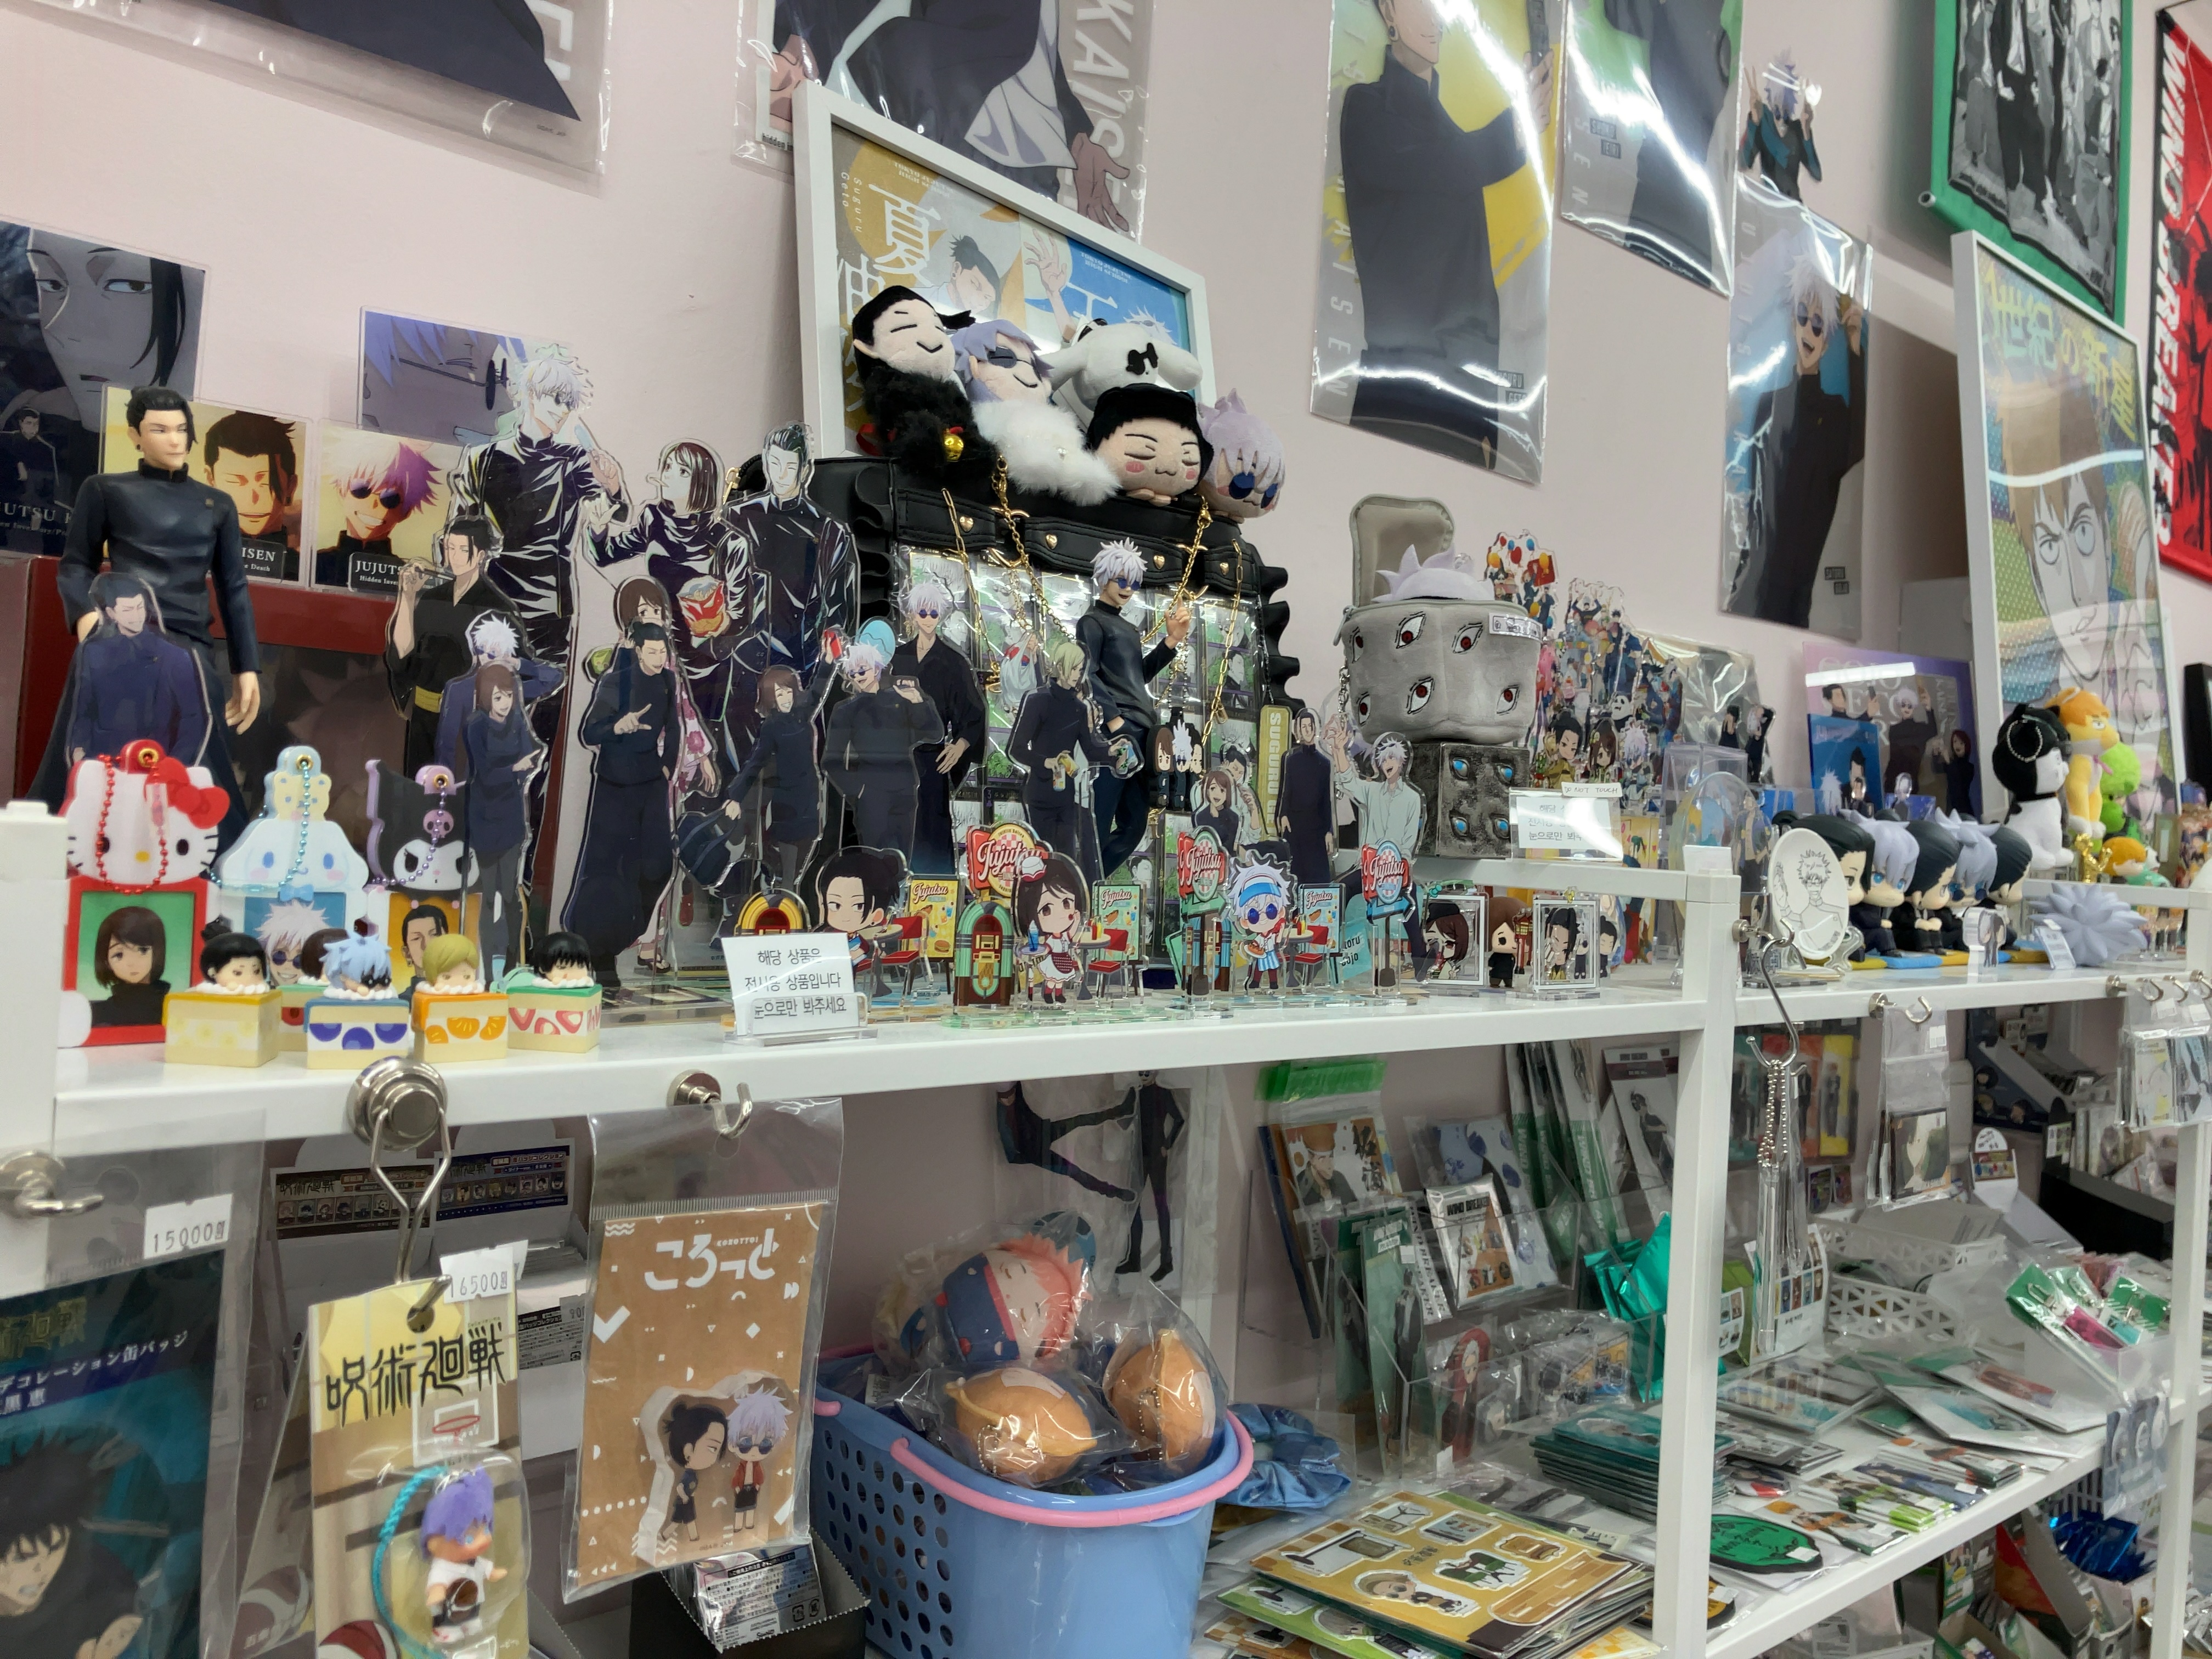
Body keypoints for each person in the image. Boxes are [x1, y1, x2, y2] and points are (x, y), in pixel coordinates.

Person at [42, 386, 259, 847]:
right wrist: (87, 621)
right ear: (135, 436)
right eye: (160, 429)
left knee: (198, 759)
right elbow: (76, 564)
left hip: (189, 646)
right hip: (118, 639)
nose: (175, 439)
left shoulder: (217, 504)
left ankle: (209, 859)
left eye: (181, 429)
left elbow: (234, 588)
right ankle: (75, 850)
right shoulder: (105, 489)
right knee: (97, 754)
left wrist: (247, 666)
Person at [1338, 0, 1548, 463]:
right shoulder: (1368, 108)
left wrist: (1488, 415)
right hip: (1402, 392)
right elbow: (1436, 167)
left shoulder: (1448, 130)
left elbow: (1475, 281)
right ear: (1389, 10)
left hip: (1466, 398)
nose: (1435, 17)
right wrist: (1515, 131)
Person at [766, 0, 1133, 229]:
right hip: (948, 117)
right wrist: (803, 44)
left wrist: (1077, 137)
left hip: (1031, 168)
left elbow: (1033, 44)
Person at [1736, 253, 1867, 628]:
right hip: (1756, 584)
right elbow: (1757, 504)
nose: (1809, 330)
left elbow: (1856, 445)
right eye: (1803, 317)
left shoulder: (1835, 413)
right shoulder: (1768, 405)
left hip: (1799, 595)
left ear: (1826, 339)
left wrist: (1855, 348)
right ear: (1793, 322)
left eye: (1818, 323)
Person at [587, 437, 737, 747]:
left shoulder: (727, 541)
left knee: (702, 745)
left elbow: (743, 616)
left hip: (705, 664)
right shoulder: (653, 517)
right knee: (655, 740)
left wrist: (717, 624)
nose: (667, 474)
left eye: (681, 471)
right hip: (658, 656)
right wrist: (599, 531)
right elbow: (607, 554)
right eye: (667, 467)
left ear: (700, 483)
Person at [721, 422, 856, 762]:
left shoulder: (830, 531)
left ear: (805, 469)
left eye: (790, 466)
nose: (781, 474)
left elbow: (838, 608)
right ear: (766, 461)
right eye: (775, 463)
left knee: (799, 761)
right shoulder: (736, 517)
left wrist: (830, 653)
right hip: (742, 657)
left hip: (801, 662)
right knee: (737, 760)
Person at [389, 516, 558, 774]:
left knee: (460, 789)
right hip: (423, 718)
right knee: (419, 785)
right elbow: (402, 655)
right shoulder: (434, 598)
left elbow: (516, 674)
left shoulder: (497, 607)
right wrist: (408, 594)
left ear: (480, 555)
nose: (454, 557)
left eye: (463, 549)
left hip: (468, 723)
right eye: (450, 548)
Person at [563, 624, 680, 984]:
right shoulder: (615, 682)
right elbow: (589, 732)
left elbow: (674, 727)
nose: (659, 658)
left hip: (651, 782)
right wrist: (618, 726)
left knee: (659, 867)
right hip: (615, 787)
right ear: (638, 650)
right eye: (652, 652)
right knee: (608, 872)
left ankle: (630, 930)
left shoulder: (668, 680)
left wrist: (667, 765)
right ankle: (600, 955)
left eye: (663, 652)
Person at [1077, 541, 1191, 877]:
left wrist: (1171, 641)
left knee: (1134, 824)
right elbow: (1087, 673)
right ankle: (1082, 885)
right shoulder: (1091, 622)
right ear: (1104, 579)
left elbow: (1137, 676)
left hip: (1144, 732)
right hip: (1117, 731)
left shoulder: (1127, 628)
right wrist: (1113, 720)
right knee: (1101, 815)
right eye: (1122, 580)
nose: (1128, 589)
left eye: (1135, 583)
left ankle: (1091, 882)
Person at [1602, 0, 1735, 284]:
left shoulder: (1686, 15)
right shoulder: (1722, 37)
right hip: (1690, 218)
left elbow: (1618, 13)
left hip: (1662, 198)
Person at [0, 1437, 147, 1659]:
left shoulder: (89, 1572)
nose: (41, 1570)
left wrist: (113, 1634)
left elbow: (127, 1605)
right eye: (23, 1557)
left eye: (55, 1549)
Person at [61, 573, 210, 768]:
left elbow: (192, 719)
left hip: (155, 763)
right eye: (128, 610)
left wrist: (173, 766)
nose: (137, 616)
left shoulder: (174, 656)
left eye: (140, 607)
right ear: (111, 613)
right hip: (102, 763)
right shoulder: (94, 652)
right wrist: (79, 750)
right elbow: (84, 711)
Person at [889, 579, 985, 875]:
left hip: (933, 760)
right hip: (896, 759)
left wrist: (960, 745)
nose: (929, 619)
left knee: (932, 826)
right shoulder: (897, 658)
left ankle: (937, 888)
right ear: (912, 614)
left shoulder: (954, 662)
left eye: (934, 613)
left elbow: (974, 712)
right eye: (923, 613)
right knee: (893, 827)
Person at [821, 635, 940, 857]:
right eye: (853, 674)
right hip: (871, 793)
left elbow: (934, 734)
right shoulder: (845, 710)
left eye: (863, 670)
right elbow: (831, 760)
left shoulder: (901, 698)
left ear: (877, 668)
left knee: (901, 859)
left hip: (905, 789)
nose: (859, 677)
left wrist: (918, 701)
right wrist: (858, 791)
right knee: (873, 859)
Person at [723, 662, 837, 890]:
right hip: (787, 805)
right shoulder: (771, 727)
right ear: (771, 697)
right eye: (779, 693)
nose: (785, 698)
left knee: (801, 867)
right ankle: (781, 899)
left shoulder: (802, 713)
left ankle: (786, 894)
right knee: (788, 874)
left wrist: (827, 663)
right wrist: (735, 797)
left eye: (788, 691)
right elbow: (754, 763)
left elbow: (818, 689)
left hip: (810, 801)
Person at [1007, 637, 1113, 880]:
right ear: (1061, 666)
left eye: (1081, 669)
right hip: (1040, 795)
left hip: (1066, 797)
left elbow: (1090, 749)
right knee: (1042, 861)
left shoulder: (1079, 708)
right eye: (1075, 668)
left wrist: (1112, 753)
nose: (1079, 675)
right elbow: (1016, 749)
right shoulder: (1038, 700)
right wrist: (1046, 762)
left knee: (1066, 863)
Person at [461, 664, 541, 974]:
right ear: (485, 697)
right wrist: (514, 770)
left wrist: (522, 768)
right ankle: (486, 971)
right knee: (488, 897)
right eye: (498, 697)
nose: (505, 703)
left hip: (510, 818)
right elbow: (484, 774)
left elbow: (530, 756)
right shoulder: (476, 725)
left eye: (508, 695)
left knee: (510, 894)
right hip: (484, 817)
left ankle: (512, 963)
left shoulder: (518, 721)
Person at [314, 427, 440, 590]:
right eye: (361, 489)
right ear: (341, 492)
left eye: (390, 498)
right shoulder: (316, 564)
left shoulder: (407, 579)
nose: (373, 504)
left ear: (406, 512)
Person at [201, 409, 299, 567]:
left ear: (291, 487)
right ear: (211, 480)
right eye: (235, 481)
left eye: (265, 483)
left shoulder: (301, 567)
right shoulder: (191, 558)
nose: (253, 498)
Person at [1114, 1071, 1186, 1281]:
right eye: (1141, 1072)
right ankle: (1134, 1258)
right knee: (1133, 1204)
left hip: (1155, 1156)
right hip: (1139, 1154)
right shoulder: (1134, 1093)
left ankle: (1166, 1261)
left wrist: (1167, 1145)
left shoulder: (1162, 1093)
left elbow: (1180, 1119)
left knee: (1161, 1205)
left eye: (1147, 1072)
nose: (1144, 1075)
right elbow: (1124, 1120)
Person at [1738, 53, 1821, 200]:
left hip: (1792, 206)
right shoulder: (1764, 122)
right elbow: (1743, 162)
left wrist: (1806, 130)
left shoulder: (1797, 129)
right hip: (1769, 203)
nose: (1782, 98)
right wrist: (1754, 121)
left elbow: (1816, 173)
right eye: (1778, 90)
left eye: (1786, 92)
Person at [1277, 707, 1335, 885]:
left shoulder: (1325, 763)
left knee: (1318, 876)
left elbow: (1327, 800)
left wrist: (1329, 831)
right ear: (1299, 731)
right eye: (1304, 727)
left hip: (1317, 828)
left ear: (1315, 728)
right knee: (1294, 873)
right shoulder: (1291, 760)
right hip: (1295, 826)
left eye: (1310, 726)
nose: (1308, 730)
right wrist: (1283, 814)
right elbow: (1286, 790)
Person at [88, 904, 170, 1027]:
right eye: (119, 955)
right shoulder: (97, 1014)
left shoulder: (176, 1009)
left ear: (158, 951)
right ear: (106, 961)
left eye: (143, 950)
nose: (132, 963)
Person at [661, 1402, 726, 1547]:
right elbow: (680, 1487)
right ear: (688, 1450)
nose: (714, 1457)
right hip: (684, 1501)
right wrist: (685, 1497)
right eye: (713, 1448)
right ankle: (666, 1535)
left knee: (689, 1520)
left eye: (718, 1450)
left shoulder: (692, 1474)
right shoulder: (688, 1475)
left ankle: (694, 1537)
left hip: (688, 1500)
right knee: (677, 1521)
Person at [1193, 768, 1242, 851]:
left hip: (1225, 857)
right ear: (1207, 792)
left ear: (1227, 794)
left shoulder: (1233, 817)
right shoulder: (1200, 816)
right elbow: (1202, 842)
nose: (1217, 794)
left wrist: (1216, 818)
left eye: (1222, 790)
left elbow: (1228, 847)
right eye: (1213, 788)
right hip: (1205, 857)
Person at [1945, 727, 1980, 813]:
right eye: (1955, 742)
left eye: (1961, 743)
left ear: (1966, 746)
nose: (1958, 745)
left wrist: (1948, 762)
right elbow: (1937, 769)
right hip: (1952, 809)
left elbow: (1958, 783)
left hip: (1963, 809)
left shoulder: (1969, 767)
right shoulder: (1952, 764)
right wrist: (1935, 754)